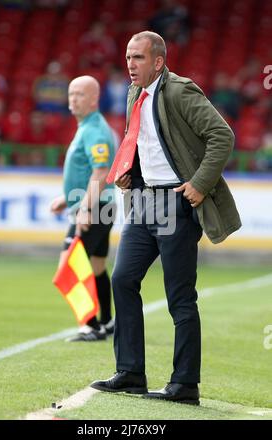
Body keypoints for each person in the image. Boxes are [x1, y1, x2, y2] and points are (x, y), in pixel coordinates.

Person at [90, 31, 241, 404]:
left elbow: (222, 135)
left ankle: (185, 384)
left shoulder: (180, 91)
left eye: (138, 58)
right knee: (123, 279)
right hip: (143, 201)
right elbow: (146, 142)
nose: (130, 64)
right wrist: (130, 173)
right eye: (127, 57)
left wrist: (200, 184)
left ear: (158, 61)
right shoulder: (132, 93)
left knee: (179, 297)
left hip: (176, 202)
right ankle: (130, 372)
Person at [50, 75, 116, 342]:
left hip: (96, 207)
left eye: (80, 94)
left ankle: (89, 326)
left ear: (94, 98)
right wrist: (68, 198)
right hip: (100, 205)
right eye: (71, 93)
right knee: (97, 264)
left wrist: (85, 209)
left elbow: (101, 172)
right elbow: (88, 171)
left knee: (69, 266)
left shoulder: (95, 130)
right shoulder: (88, 126)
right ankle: (107, 321)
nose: (73, 98)